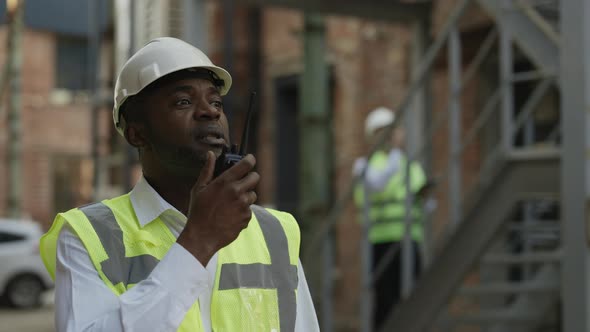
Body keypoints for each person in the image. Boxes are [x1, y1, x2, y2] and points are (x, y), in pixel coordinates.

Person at [40, 37, 319, 332]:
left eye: (216, 102)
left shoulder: (275, 233)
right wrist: (198, 240)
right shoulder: (87, 237)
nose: (210, 112)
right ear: (136, 134)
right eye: (183, 102)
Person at [353, 106, 429, 329]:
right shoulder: (366, 166)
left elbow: (420, 196)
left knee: (413, 299)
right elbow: (378, 187)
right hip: (381, 241)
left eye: (393, 130)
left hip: (409, 239)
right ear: (374, 135)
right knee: (385, 302)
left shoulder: (410, 166)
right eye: (384, 131)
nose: (392, 135)